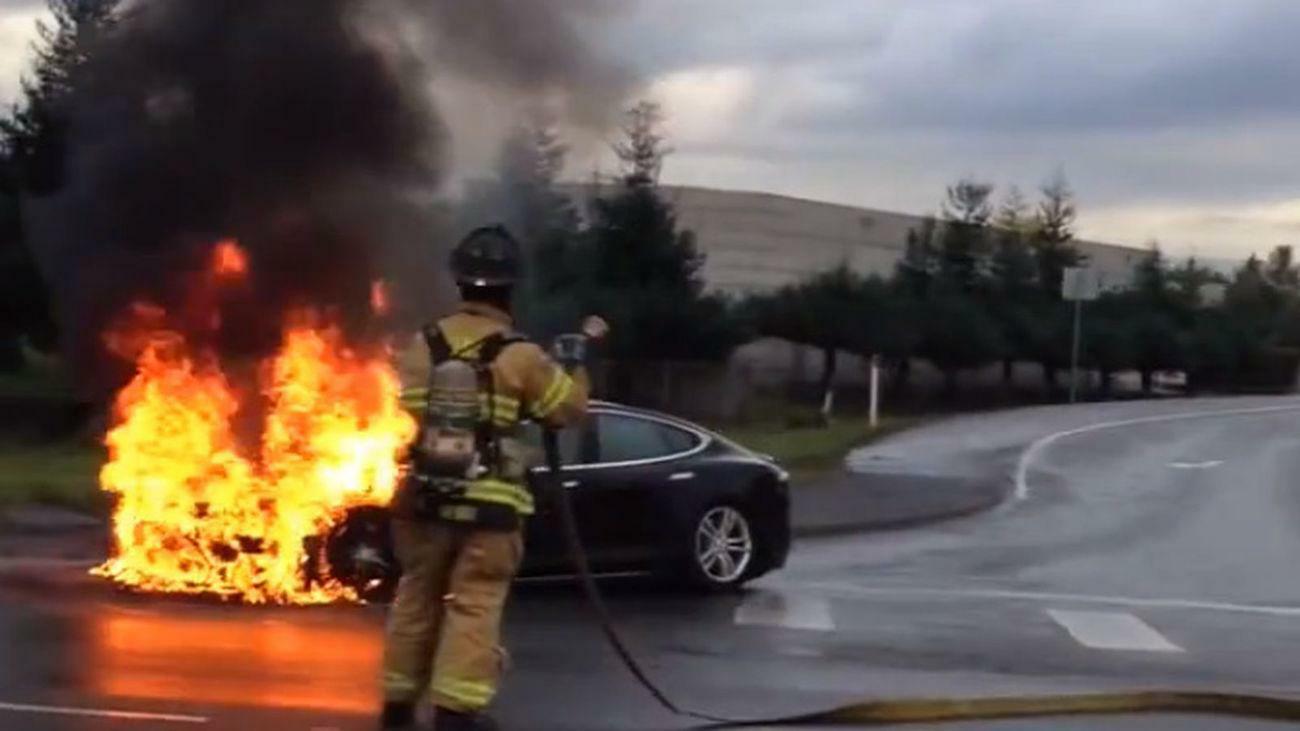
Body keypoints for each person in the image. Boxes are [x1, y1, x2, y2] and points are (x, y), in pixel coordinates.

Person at [380, 225, 606, 731]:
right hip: (490, 509)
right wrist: (576, 364)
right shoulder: (520, 355)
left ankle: (396, 707)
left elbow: (404, 409)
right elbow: (565, 410)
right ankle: (455, 714)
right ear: (510, 289)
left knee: (415, 597)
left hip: (424, 500)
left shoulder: (423, 345)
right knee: (474, 605)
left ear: (460, 284)